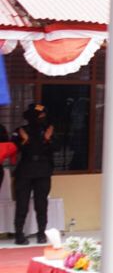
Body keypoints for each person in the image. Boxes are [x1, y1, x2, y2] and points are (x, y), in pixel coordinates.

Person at [12, 103, 54, 245]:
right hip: (25, 170)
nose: (43, 118)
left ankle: (41, 233)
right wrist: (25, 140)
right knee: (22, 204)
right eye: (40, 115)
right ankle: (19, 234)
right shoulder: (21, 130)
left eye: (43, 115)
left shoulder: (48, 130)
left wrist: (48, 139)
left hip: (43, 170)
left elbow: (57, 148)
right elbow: (14, 148)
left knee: (41, 204)